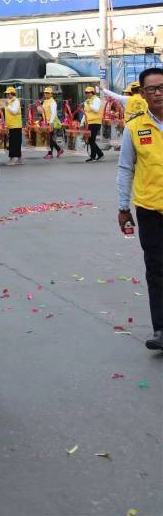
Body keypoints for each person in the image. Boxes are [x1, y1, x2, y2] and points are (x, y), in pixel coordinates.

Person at [116, 67, 163, 352]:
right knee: (156, 271)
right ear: (142, 94)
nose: (158, 93)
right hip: (149, 212)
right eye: (152, 89)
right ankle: (161, 329)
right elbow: (125, 168)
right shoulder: (134, 127)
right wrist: (123, 207)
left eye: (162, 87)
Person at [41, 87, 63, 159]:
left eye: (48, 93)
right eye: (45, 93)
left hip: (51, 122)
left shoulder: (53, 102)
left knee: (49, 138)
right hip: (46, 122)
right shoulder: (45, 101)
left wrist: (50, 122)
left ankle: (51, 153)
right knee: (49, 138)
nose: (46, 94)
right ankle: (58, 150)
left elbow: (53, 113)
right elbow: (43, 111)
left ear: (51, 94)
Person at [83, 86, 104, 162]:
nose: (87, 94)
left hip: (95, 122)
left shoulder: (96, 99)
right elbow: (85, 112)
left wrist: (89, 104)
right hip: (88, 122)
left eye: (89, 92)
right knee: (91, 140)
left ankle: (98, 154)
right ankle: (95, 155)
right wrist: (82, 122)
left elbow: (96, 109)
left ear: (92, 93)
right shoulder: (87, 101)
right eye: (86, 92)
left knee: (91, 140)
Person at [4, 87, 23, 164]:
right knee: (15, 142)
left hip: (15, 125)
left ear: (12, 93)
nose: (7, 95)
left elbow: (14, 111)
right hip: (11, 125)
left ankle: (14, 159)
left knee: (14, 142)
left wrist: (7, 106)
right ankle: (19, 158)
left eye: (8, 93)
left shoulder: (16, 101)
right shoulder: (10, 101)